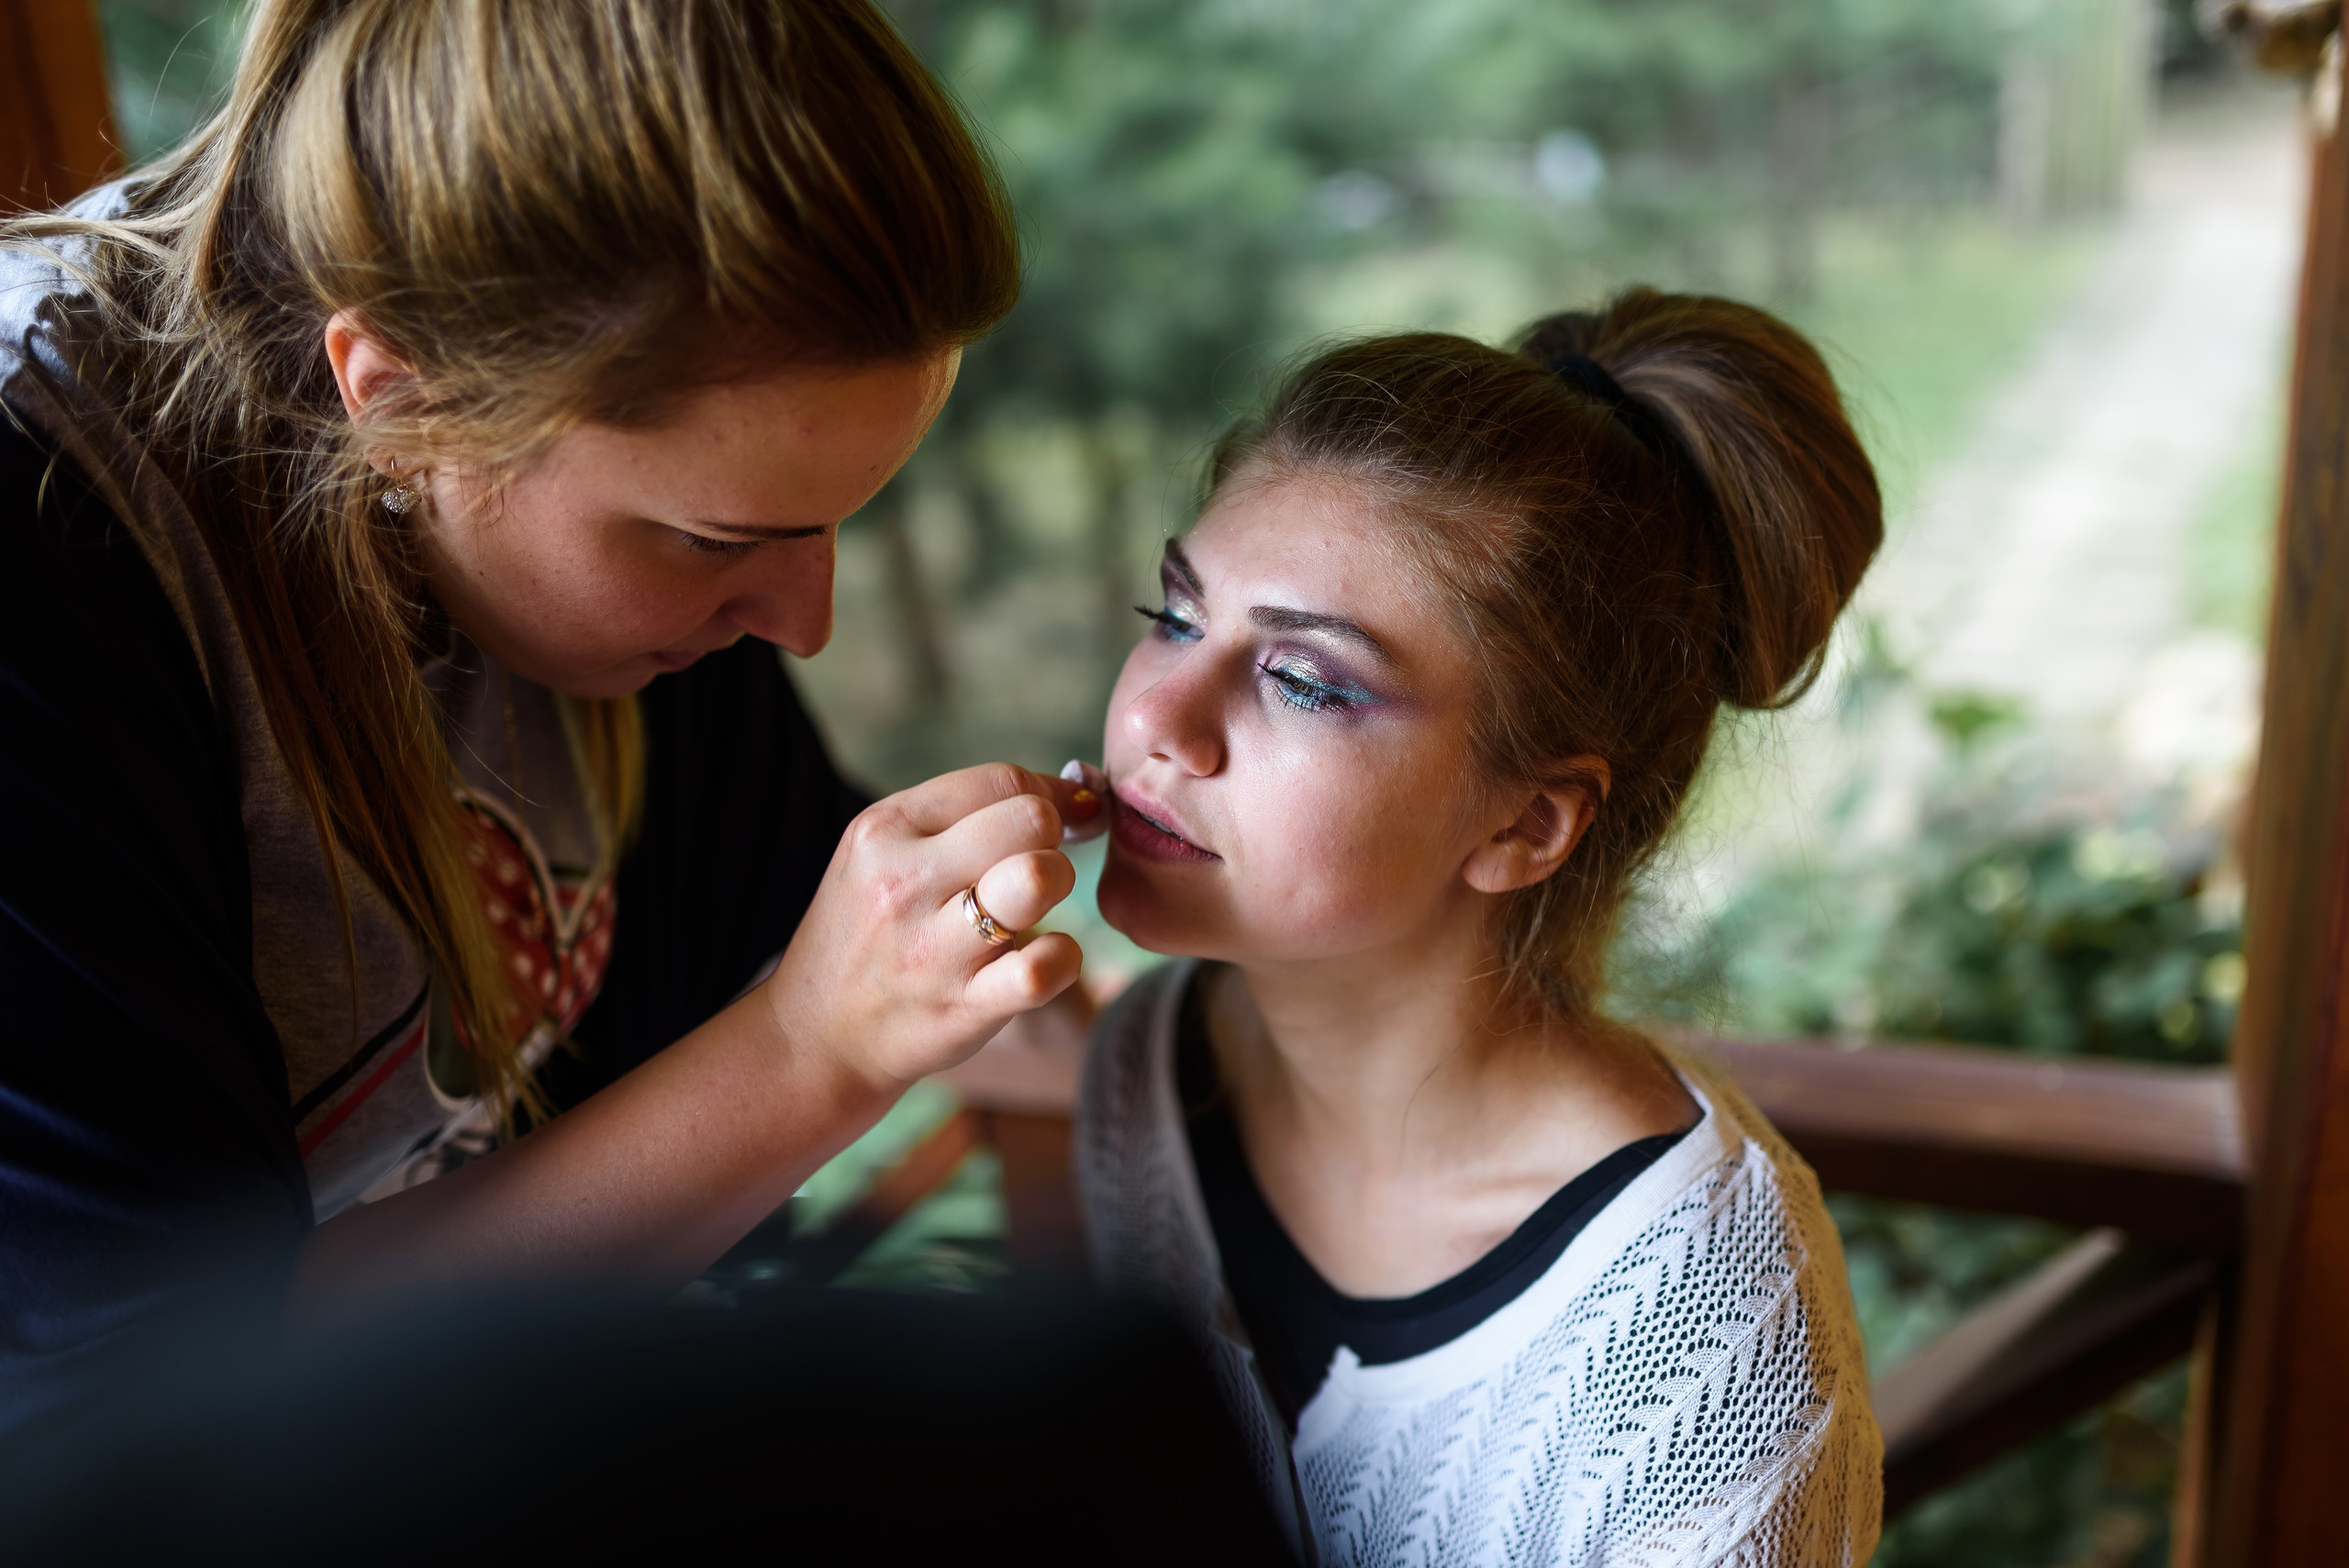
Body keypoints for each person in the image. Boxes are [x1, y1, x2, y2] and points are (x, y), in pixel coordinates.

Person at [0, 0, 1099, 1429]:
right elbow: (161, 1411)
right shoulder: (46, 567)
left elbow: (780, 912)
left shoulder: (611, 495)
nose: (802, 623)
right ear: (399, 409)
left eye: (835, 526)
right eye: (719, 541)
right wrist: (809, 1054)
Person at [1074, 292, 1887, 1564]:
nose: (1159, 720)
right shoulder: (1151, 1064)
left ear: (1524, 824)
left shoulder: (1701, 1351)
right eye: (1176, 616)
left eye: (1303, 679)